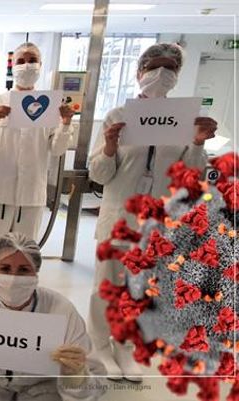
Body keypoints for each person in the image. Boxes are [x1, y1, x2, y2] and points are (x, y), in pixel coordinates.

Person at [87, 43, 217, 381]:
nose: (162, 74)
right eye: (155, 66)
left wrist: (198, 143)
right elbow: (98, 175)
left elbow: (191, 177)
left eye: (170, 68)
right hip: (118, 217)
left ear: (177, 76)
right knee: (106, 285)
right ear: (139, 73)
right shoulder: (117, 116)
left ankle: (125, 347)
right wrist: (110, 147)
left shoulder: (184, 121)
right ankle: (99, 345)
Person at [0, 233, 107, 401]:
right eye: (5, 269)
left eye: (24, 270)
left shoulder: (61, 310)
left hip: (43, 386)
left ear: (36, 273)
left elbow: (97, 384)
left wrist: (76, 376)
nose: (13, 279)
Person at [0, 42, 75, 288]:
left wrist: (65, 124)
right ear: (12, 66)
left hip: (31, 195)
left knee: (26, 254)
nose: (27, 65)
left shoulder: (49, 105)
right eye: (21, 60)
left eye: (32, 60)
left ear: (40, 65)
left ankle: (20, 299)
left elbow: (57, 149)